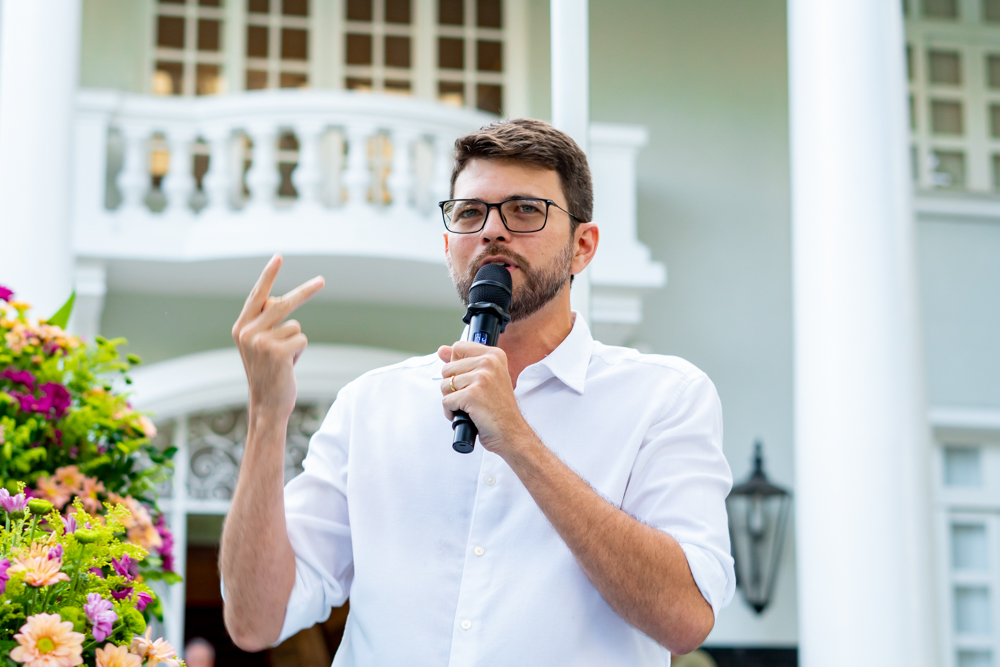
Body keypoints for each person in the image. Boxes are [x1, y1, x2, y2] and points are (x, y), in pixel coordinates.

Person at [219, 118, 735, 665]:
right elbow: (255, 621)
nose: (492, 230)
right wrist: (267, 414)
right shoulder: (370, 406)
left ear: (582, 247)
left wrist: (516, 437)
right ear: (449, 247)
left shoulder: (664, 398)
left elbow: (685, 619)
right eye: (470, 213)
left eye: (525, 210)